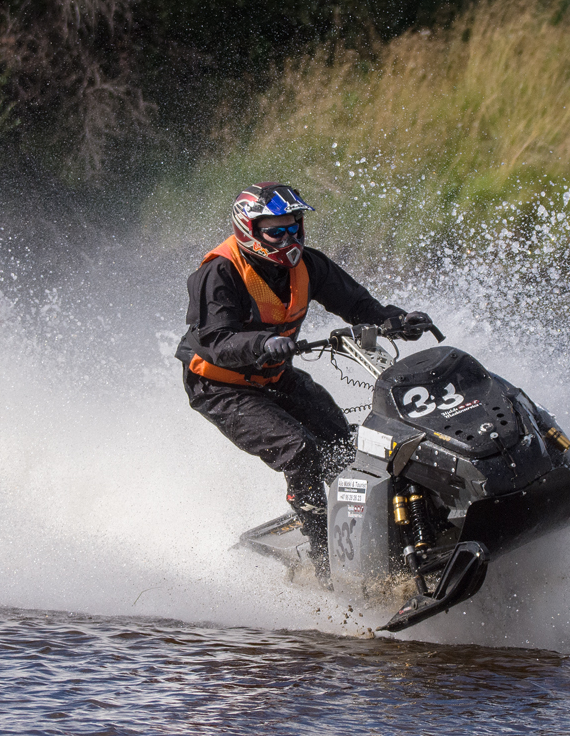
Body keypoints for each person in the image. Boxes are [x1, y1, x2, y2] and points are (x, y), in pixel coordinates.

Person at [176, 182, 432, 579]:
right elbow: (214, 340)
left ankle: (388, 540)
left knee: (348, 447)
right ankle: (326, 562)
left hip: (276, 376)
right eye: (275, 231)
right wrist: (262, 342)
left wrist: (393, 321)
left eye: (294, 228)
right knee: (301, 452)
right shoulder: (220, 271)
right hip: (220, 388)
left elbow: (358, 305)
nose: (288, 238)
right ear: (249, 230)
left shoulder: (309, 265)